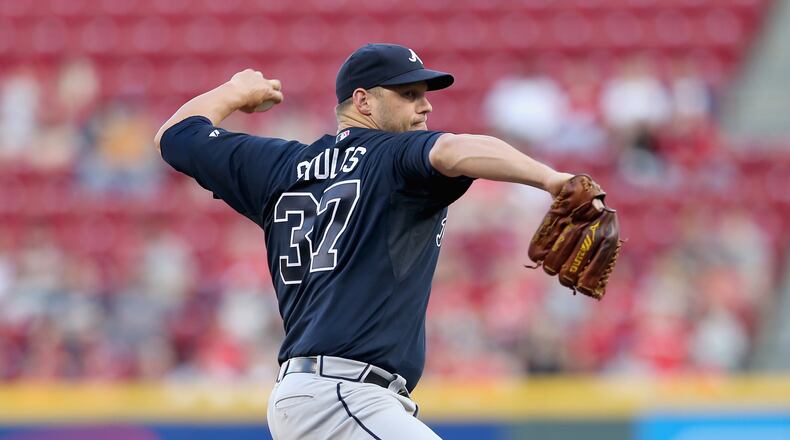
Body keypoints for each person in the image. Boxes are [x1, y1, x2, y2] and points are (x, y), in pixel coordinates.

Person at [154, 43, 575, 440]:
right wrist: (551, 179)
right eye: (409, 93)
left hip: (316, 396)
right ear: (364, 102)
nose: (426, 104)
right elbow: (455, 149)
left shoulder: (280, 166)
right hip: (344, 395)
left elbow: (175, 136)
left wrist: (233, 92)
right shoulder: (394, 157)